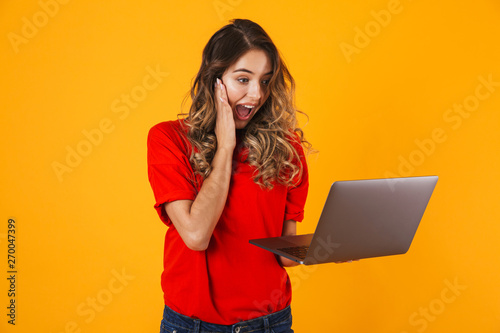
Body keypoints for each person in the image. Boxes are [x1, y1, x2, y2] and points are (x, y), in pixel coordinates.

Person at [147, 18, 312, 333]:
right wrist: (225, 148)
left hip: (270, 323)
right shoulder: (168, 140)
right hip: (192, 326)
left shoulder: (286, 148)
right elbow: (196, 236)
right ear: (215, 80)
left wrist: (329, 245)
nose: (255, 94)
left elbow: (285, 252)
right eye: (243, 79)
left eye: (265, 80)